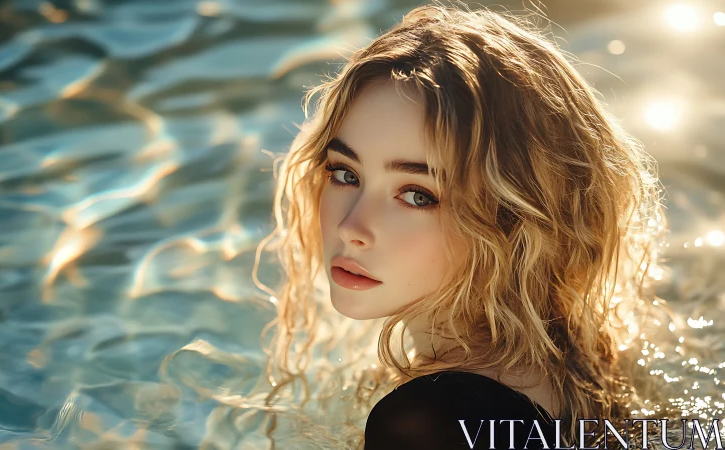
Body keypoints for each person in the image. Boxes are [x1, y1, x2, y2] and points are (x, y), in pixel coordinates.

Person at [252, 2, 667, 448]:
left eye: (417, 195)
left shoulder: (427, 424)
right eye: (345, 173)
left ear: (514, 220)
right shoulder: (570, 355)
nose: (351, 227)